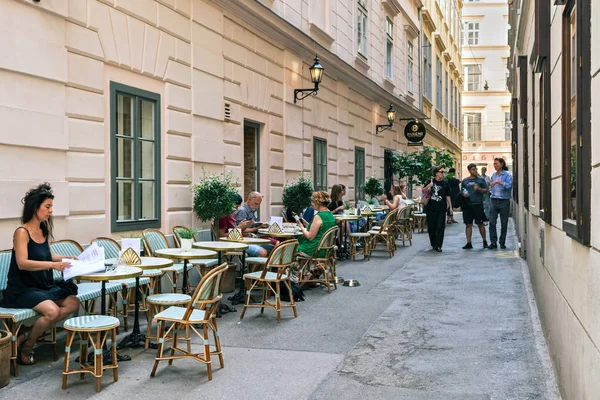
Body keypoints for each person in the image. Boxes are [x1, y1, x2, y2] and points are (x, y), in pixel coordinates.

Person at [1, 183, 80, 365]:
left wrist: (68, 258)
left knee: (73, 303)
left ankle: (26, 335)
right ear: (35, 207)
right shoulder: (22, 232)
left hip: (42, 285)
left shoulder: (43, 229)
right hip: (23, 289)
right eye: (47, 207)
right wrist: (53, 265)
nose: (51, 211)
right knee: (52, 312)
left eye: (51, 206)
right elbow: (23, 263)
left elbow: (47, 254)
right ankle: (29, 345)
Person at [297, 191, 337, 256]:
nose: (312, 204)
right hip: (327, 249)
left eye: (313, 201)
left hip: (315, 249)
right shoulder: (330, 215)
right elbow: (321, 229)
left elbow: (310, 237)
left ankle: (297, 265)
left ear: (318, 202)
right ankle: (303, 265)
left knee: (292, 250)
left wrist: (301, 227)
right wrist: (306, 224)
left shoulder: (318, 216)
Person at [423, 166, 453, 252]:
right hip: (431, 208)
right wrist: (429, 186)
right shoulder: (430, 181)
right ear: (436, 173)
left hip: (441, 208)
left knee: (440, 227)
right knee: (431, 227)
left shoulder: (445, 183)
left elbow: (448, 195)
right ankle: (433, 244)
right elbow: (423, 191)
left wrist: (450, 207)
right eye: (441, 172)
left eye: (444, 172)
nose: (443, 174)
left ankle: (439, 245)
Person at [461, 163, 489, 249]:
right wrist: (463, 194)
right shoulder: (465, 181)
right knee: (468, 224)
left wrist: (479, 189)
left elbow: (486, 190)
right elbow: (462, 190)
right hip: (468, 205)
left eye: (476, 169)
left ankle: (484, 241)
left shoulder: (480, 180)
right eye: (473, 169)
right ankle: (468, 242)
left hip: (478, 204)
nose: (475, 171)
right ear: (469, 170)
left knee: (480, 224)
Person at [488, 158, 513, 250]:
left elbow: (509, 186)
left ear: (502, 164)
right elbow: (491, 185)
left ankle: (502, 242)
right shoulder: (493, 175)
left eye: (497, 164)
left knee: (504, 222)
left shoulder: (507, 175)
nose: (495, 165)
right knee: (492, 222)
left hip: (504, 201)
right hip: (494, 200)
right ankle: (493, 242)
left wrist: (499, 182)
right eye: (494, 164)